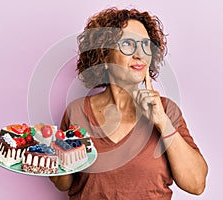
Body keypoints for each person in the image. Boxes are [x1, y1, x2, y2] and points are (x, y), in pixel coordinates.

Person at [49, 7, 208, 200]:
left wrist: (162, 123)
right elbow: (63, 183)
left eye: (145, 45)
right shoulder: (77, 112)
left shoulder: (166, 110)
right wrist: (57, 150)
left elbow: (196, 184)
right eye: (128, 44)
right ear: (104, 55)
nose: (139, 54)